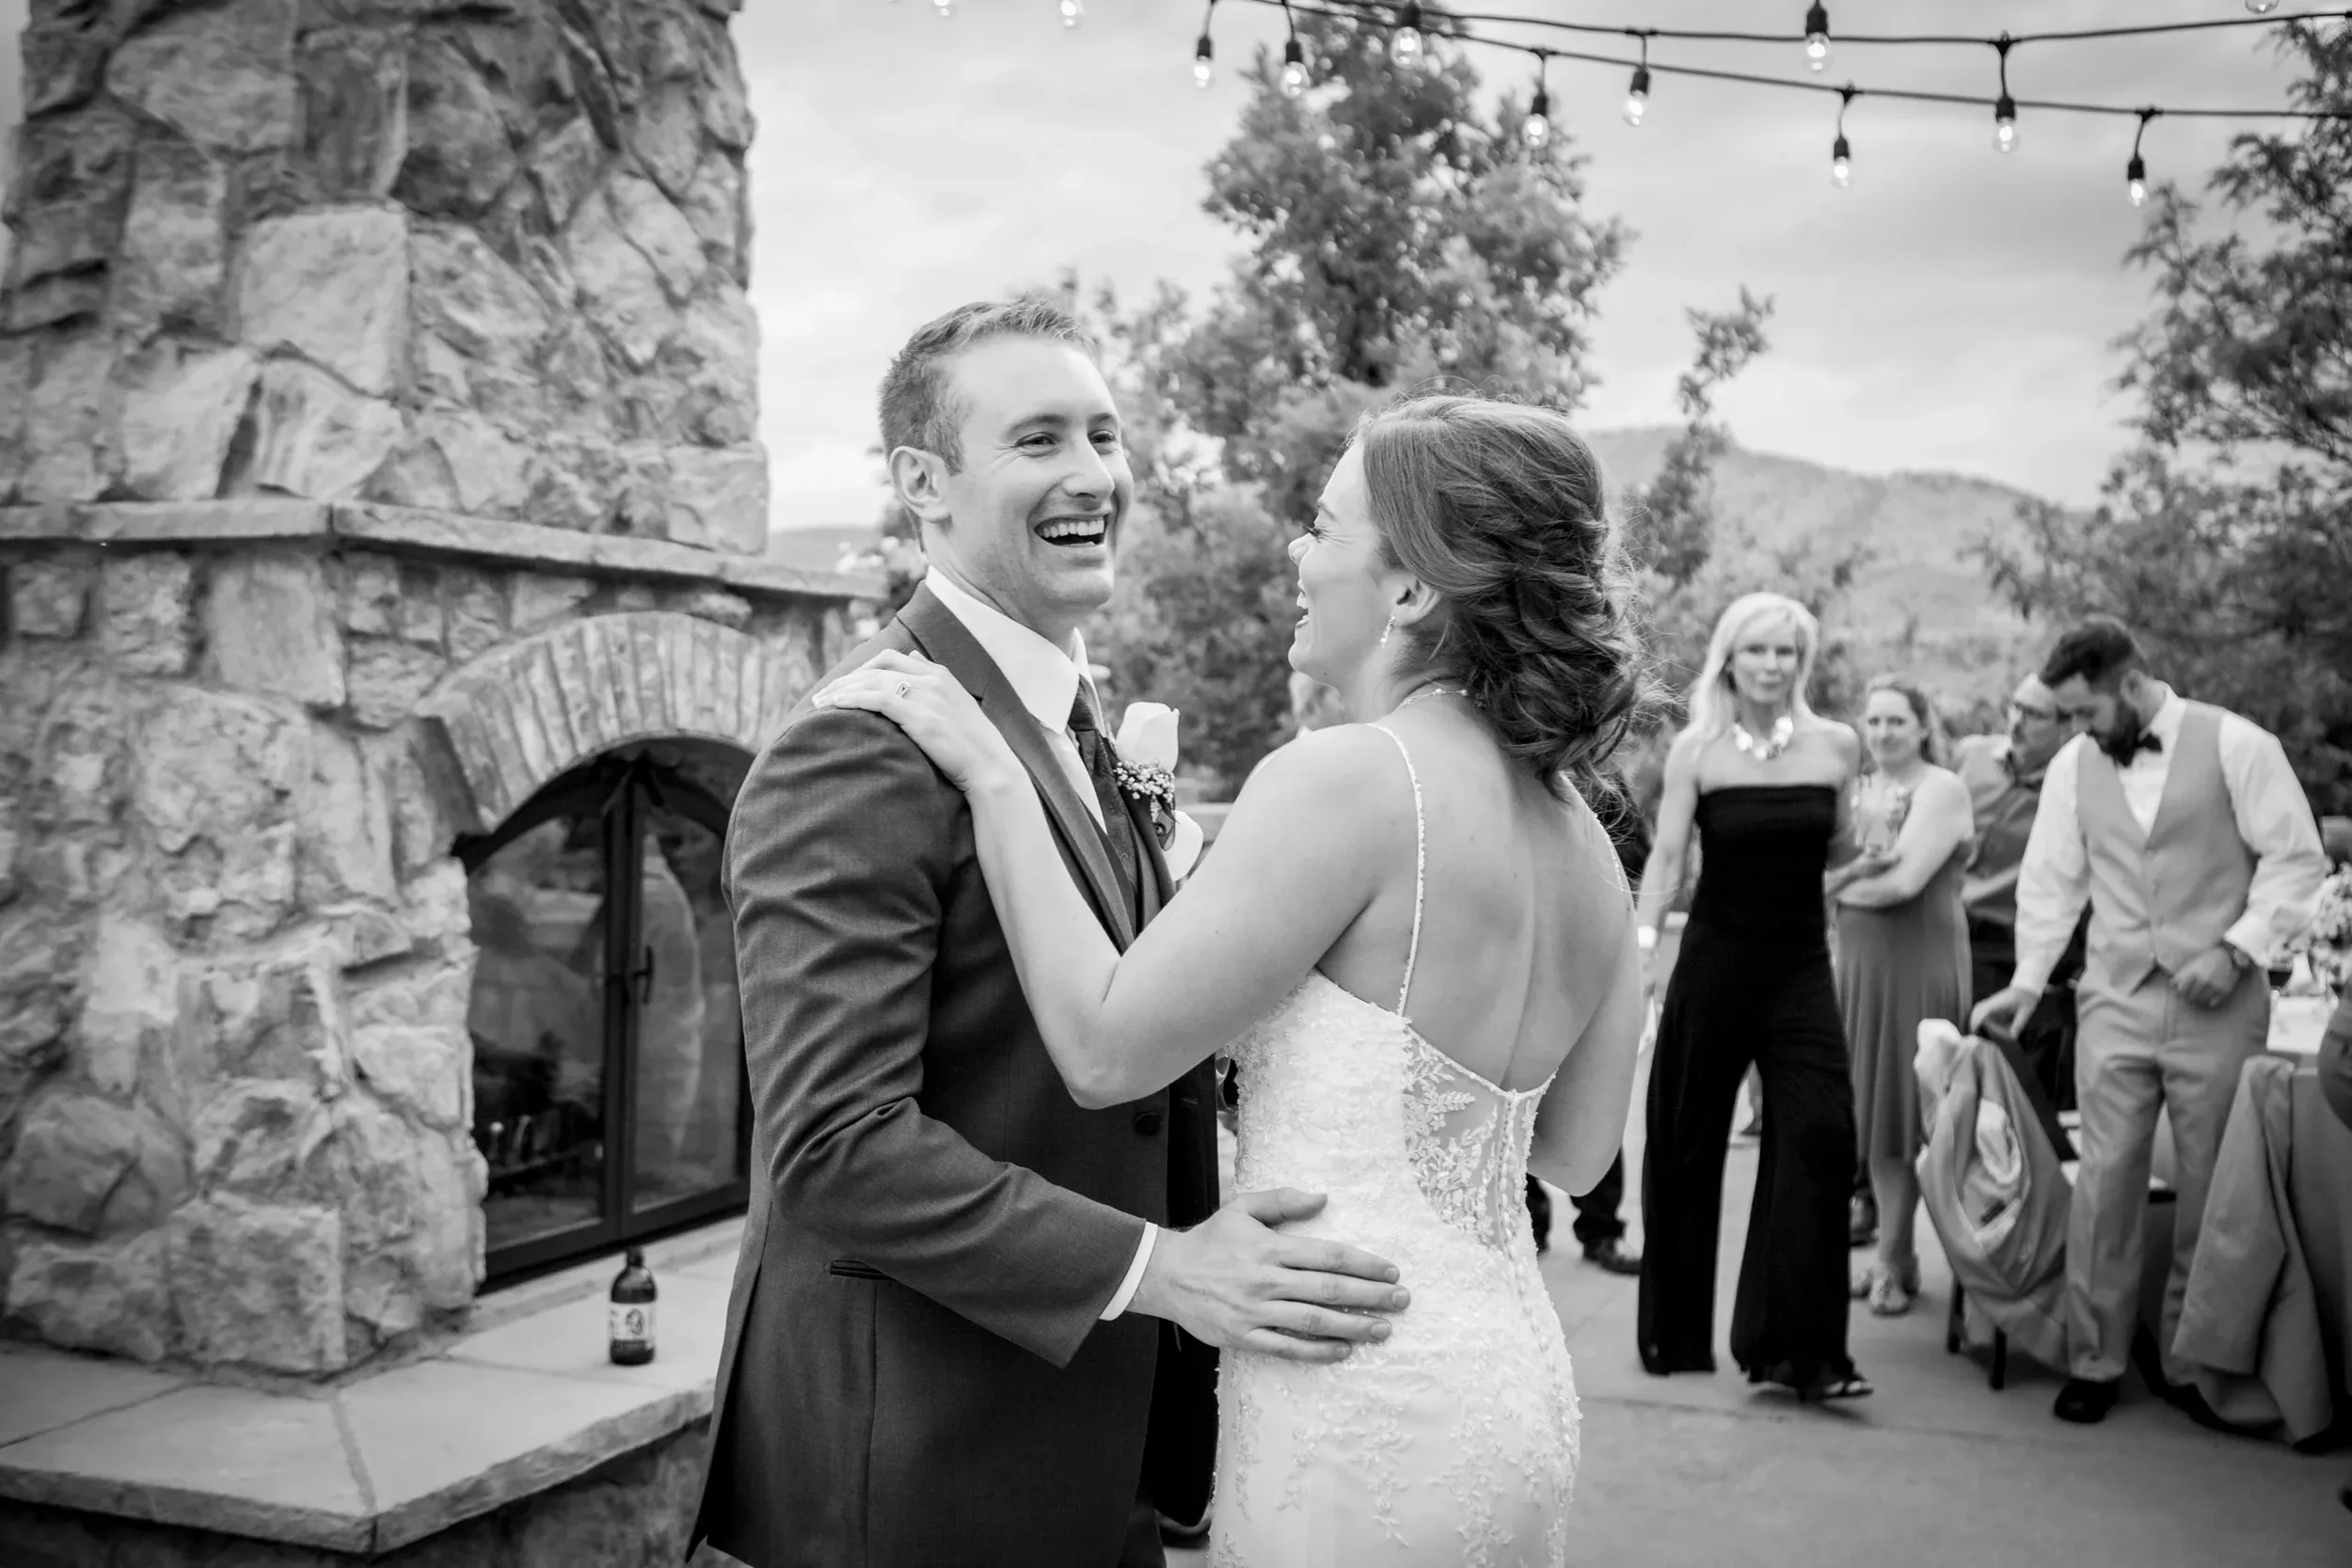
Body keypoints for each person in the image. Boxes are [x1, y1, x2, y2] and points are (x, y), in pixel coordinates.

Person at [817, 391, 1648, 1564]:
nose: (1299, 556)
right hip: (1502, 1380)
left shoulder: (1348, 781)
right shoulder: (1588, 845)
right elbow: (1574, 1153)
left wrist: (998, 778)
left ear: (1411, 588)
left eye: (1322, 525)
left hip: (1350, 1384)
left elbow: (1106, 1049)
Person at [691, 298, 1412, 1568]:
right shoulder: (862, 742)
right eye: (1038, 440)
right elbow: (835, 1146)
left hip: (1099, 1438)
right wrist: (1168, 1268)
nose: (1095, 476)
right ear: (925, 482)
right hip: (923, 1455)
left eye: (1105, 434)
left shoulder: (1071, 728)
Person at [1973, 616, 2327, 1426]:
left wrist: (2237, 950)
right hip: (2115, 1001)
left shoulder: (2241, 745)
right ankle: (2095, 1357)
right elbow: (2052, 883)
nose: (2073, 729)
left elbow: (2298, 859)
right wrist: (2026, 985)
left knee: (2212, 1189)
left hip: (2221, 1005)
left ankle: (2191, 1362)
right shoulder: (2073, 765)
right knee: (2107, 1180)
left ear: (2129, 686)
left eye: (2083, 711)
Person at [1633, 592, 1875, 1402]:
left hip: (1801, 963)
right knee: (1685, 1135)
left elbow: (1841, 846)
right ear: (1729, 658)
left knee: (1821, 1134)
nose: (1772, 665)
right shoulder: (1696, 751)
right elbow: (1666, 864)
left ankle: (1798, 1351)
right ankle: (1675, 1332)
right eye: (1758, 650)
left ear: (1801, 663)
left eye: (1786, 652)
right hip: (1715, 956)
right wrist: (1641, 955)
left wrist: (1873, 843)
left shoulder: (1838, 745)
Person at [1832, 677, 1974, 1317]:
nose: (1884, 731)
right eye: (1875, 719)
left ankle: (1896, 1259)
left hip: (1917, 964)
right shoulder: (1860, 790)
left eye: (1897, 720)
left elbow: (1903, 883)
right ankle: (1898, 1255)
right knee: (1875, 1114)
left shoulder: (1940, 789)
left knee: (1904, 1112)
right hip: (1862, 966)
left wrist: (1822, 891)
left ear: (1923, 727)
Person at [1953, 674, 2083, 1108]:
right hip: (1954, 937)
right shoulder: (1971, 757)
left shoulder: (2078, 785)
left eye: (2034, 714)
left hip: (2024, 947)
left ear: (2068, 726)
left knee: (2014, 1083)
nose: (2016, 721)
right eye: (2015, 706)